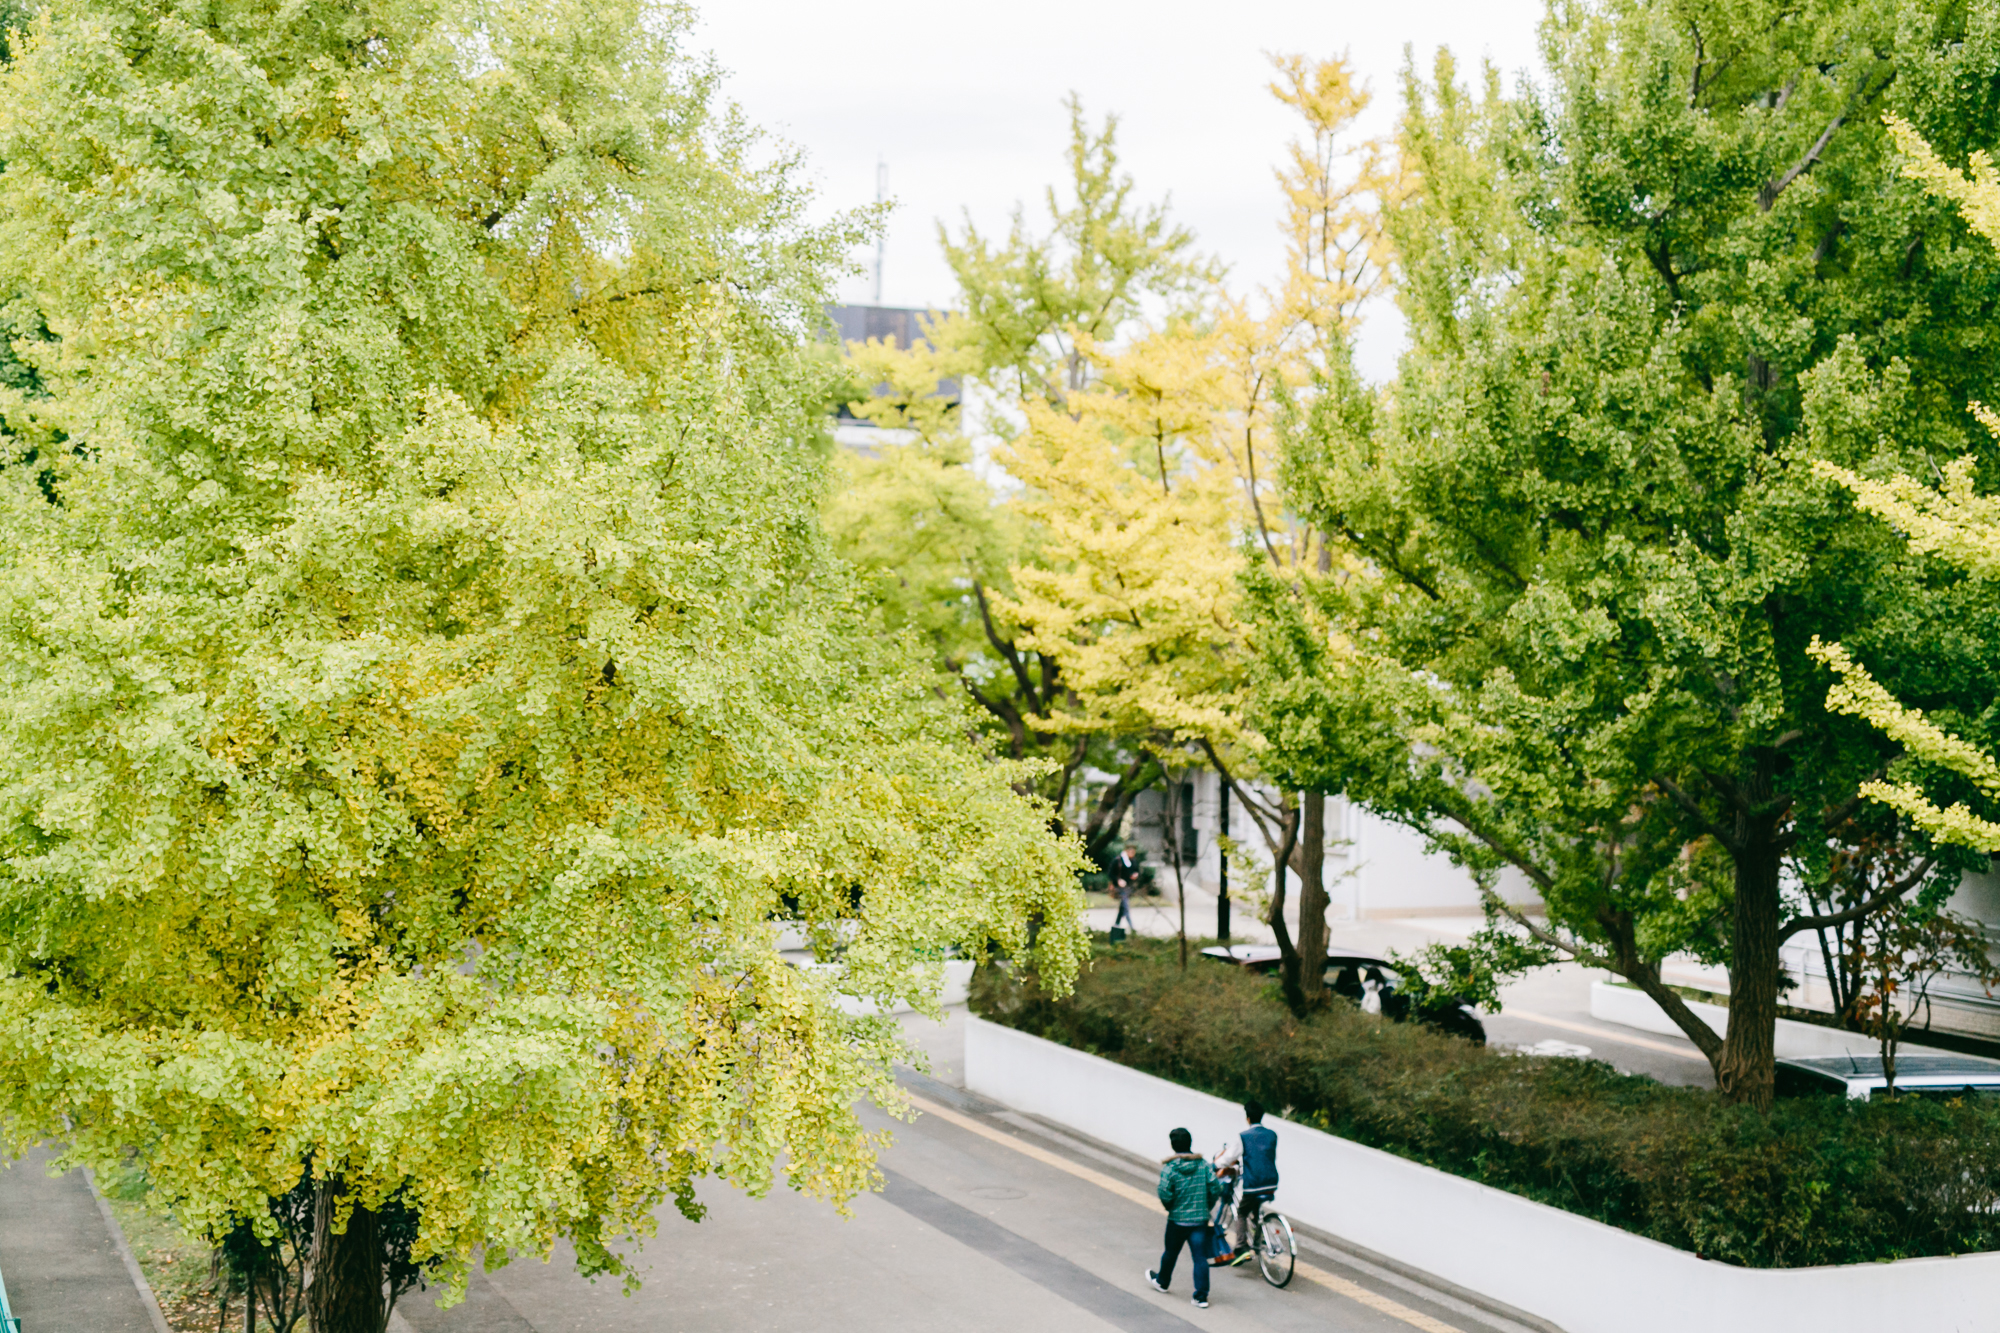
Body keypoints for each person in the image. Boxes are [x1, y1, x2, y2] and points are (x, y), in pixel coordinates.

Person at [1147, 1126, 1222, 1309]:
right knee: (1199, 1258)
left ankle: (1162, 1282)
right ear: (1190, 1143)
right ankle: (1201, 1297)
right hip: (1199, 1221)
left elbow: (1164, 1192)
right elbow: (1215, 1188)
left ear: (1173, 1145)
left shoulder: (1170, 1169)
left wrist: (1171, 1207)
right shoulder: (1203, 1165)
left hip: (1177, 1220)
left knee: (1170, 1252)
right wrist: (1207, 1207)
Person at [1209, 1099, 1278, 1267]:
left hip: (1254, 1183)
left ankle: (1241, 1248)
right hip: (1271, 1182)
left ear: (1248, 1118)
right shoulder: (1272, 1135)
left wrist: (1214, 1166)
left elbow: (1229, 1158)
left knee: (1241, 1213)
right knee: (1254, 1210)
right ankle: (1256, 1240)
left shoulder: (1244, 1137)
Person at [1108, 846, 1140, 934]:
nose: (1132, 854)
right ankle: (1131, 926)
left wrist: (1135, 875)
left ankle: (1116, 924)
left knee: (1122, 906)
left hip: (1128, 887)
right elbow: (1110, 873)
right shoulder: (1118, 861)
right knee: (1125, 906)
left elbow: (1136, 870)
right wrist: (1118, 880)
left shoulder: (1133, 861)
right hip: (1120, 888)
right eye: (1130, 852)